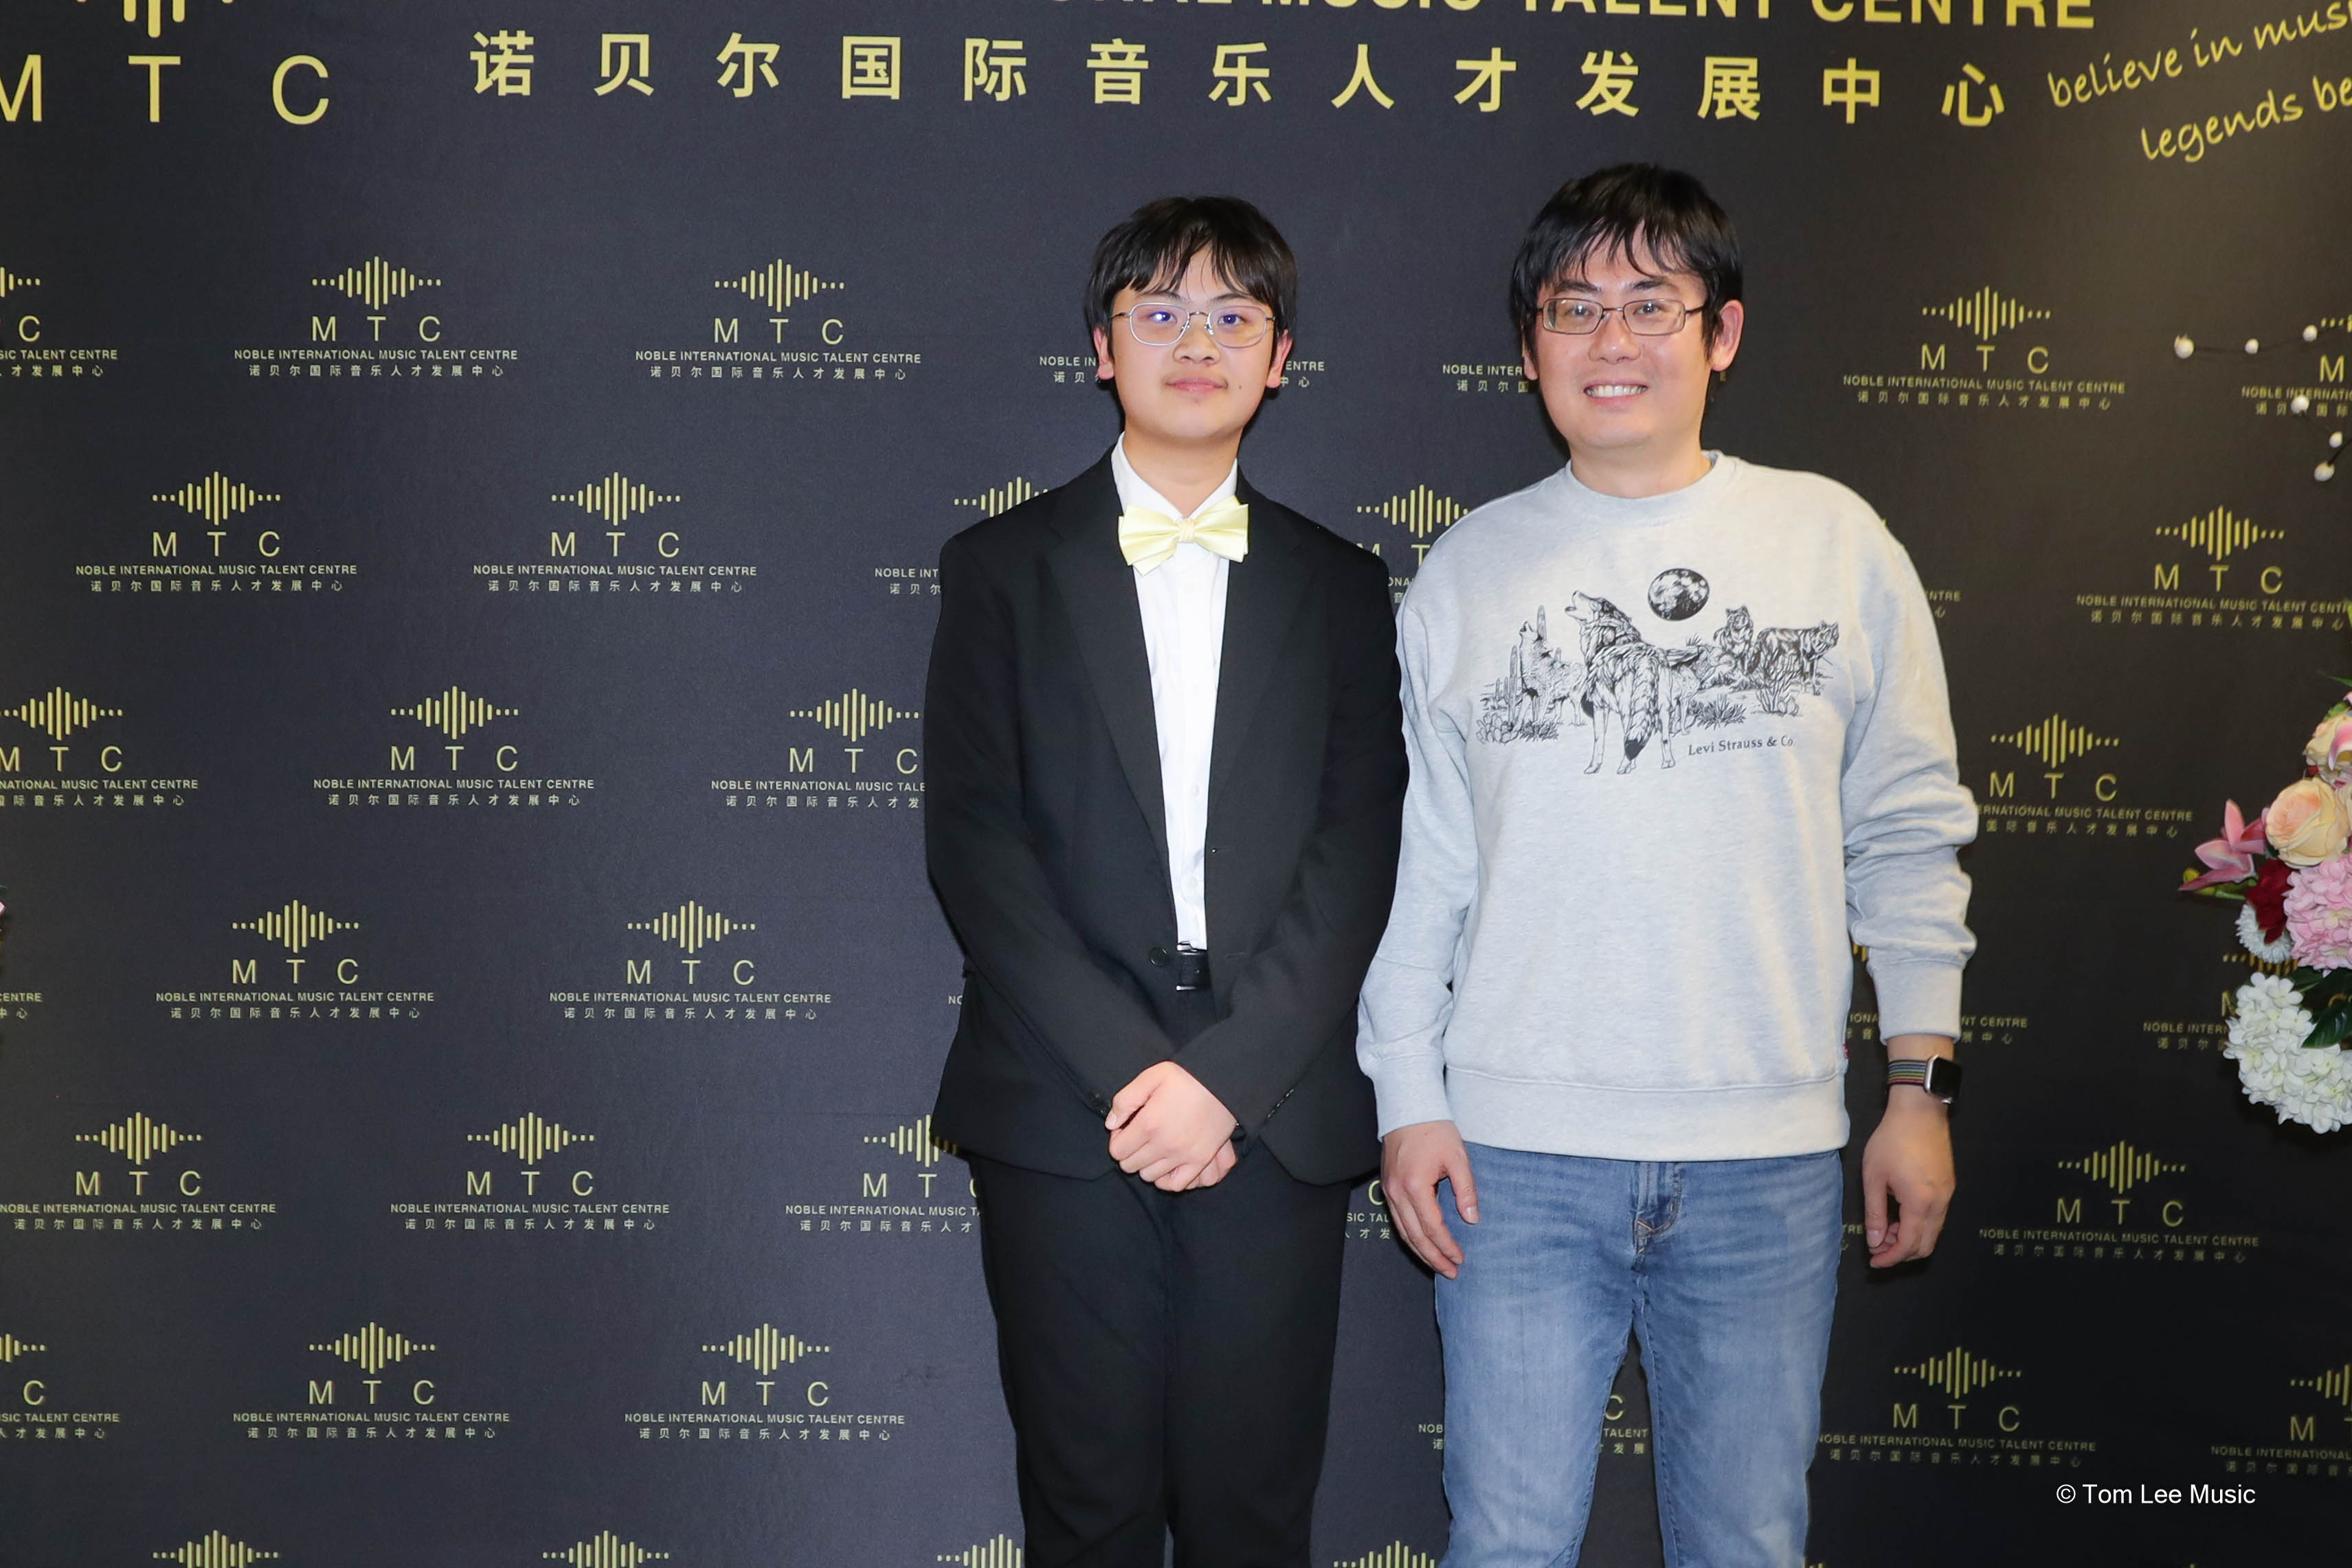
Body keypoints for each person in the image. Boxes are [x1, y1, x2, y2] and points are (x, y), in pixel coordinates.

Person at [1358, 164, 1977, 1568]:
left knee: (1746, 1541)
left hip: (1766, 1159)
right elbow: (1428, 866)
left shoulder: (1835, 544)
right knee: (1504, 1542)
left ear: (1723, 332)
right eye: (1573, 308)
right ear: (1529, 347)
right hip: (1511, 1160)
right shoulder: (1466, 571)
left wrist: (1918, 1086)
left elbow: (1905, 832)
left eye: (1651, 303)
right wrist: (1408, 1096)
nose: (1612, 340)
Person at [924, 195, 1407, 1568]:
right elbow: (976, 848)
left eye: (1231, 316)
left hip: (1274, 1100)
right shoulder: (999, 569)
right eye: (1160, 312)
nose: (1196, 343)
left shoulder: (1341, 585)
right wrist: (1133, 1073)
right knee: (1086, 1510)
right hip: (1062, 1101)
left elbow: (1358, 849)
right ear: (1102, 346)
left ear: (1279, 356)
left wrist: (1225, 1078)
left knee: (1254, 1514)